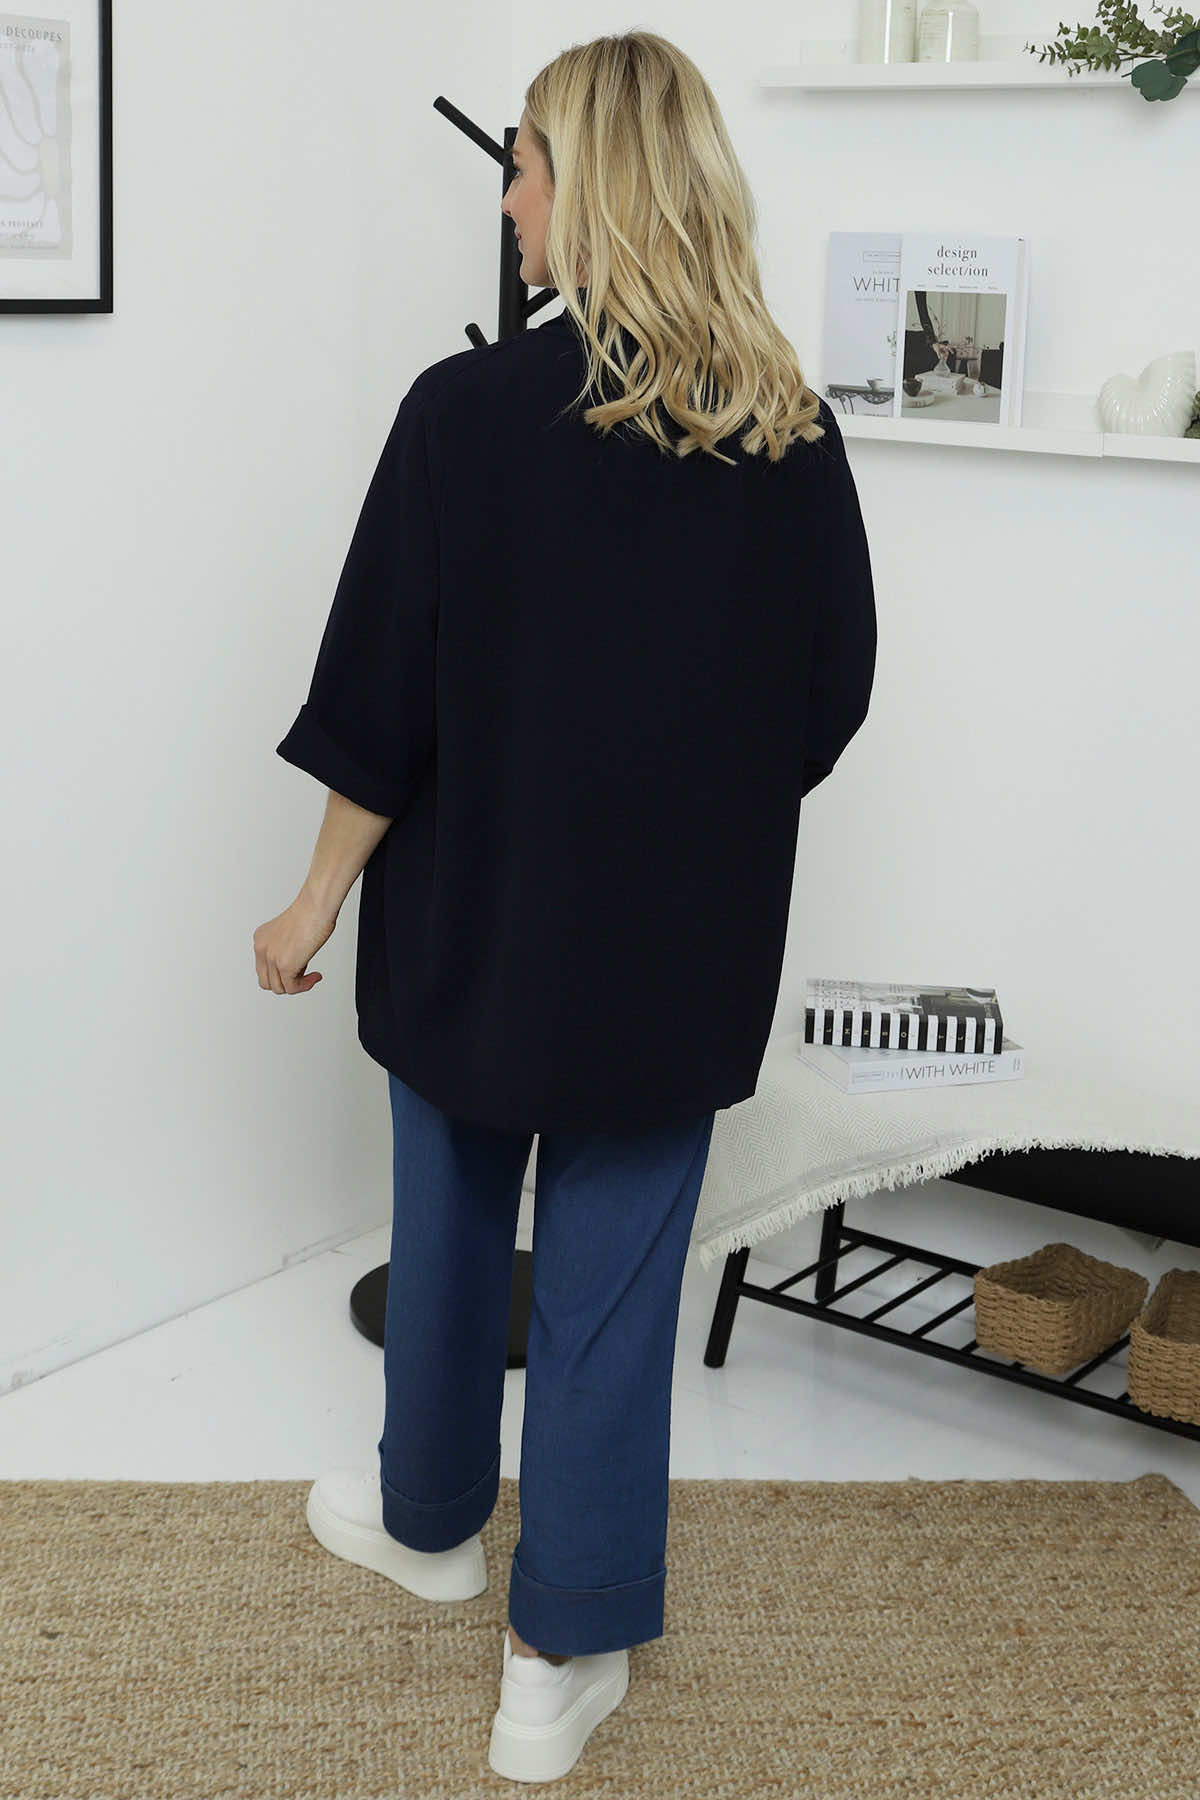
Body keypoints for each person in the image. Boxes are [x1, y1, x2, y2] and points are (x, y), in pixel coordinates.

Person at [253, 28, 877, 1786]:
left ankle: (431, 1525)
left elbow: (380, 706)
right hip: (676, 947)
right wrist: (686, 820)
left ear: (588, 186)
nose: (511, 202)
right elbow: (829, 696)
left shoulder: (460, 417)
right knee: (606, 1285)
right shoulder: (790, 434)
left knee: (450, 1220)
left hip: (472, 924)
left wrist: (312, 902)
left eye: (522, 166)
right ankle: (555, 1653)